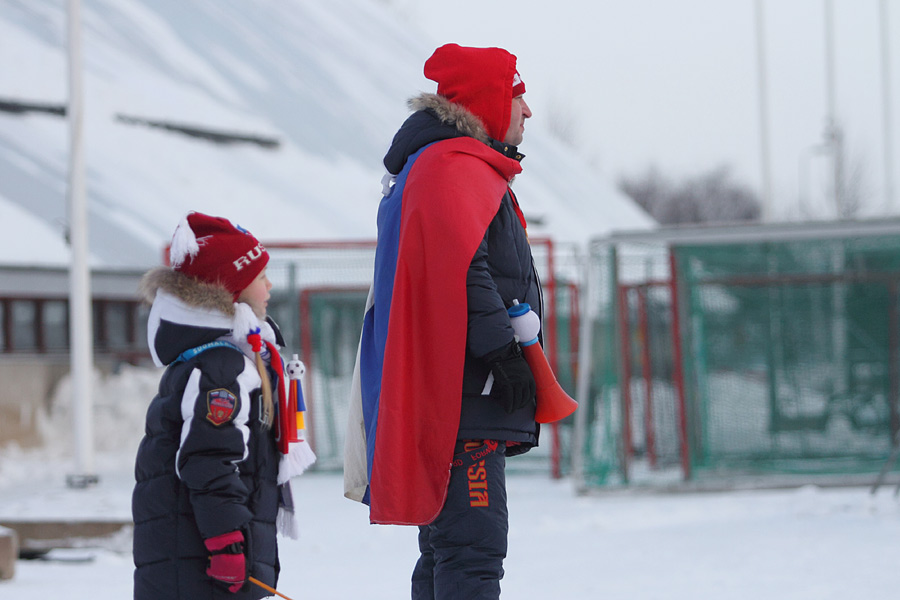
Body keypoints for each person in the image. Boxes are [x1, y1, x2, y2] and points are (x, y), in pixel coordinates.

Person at [344, 43, 540, 599]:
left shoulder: (455, 167)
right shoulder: (452, 168)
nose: (528, 112)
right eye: (518, 97)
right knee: (472, 552)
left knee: (449, 550)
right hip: (466, 401)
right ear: (487, 101)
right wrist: (504, 355)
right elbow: (464, 269)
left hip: (462, 396)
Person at [133, 212, 314, 600]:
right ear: (234, 287)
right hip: (198, 564)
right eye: (260, 277)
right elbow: (208, 459)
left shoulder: (231, 359)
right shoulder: (222, 369)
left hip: (194, 561)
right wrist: (227, 543)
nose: (269, 285)